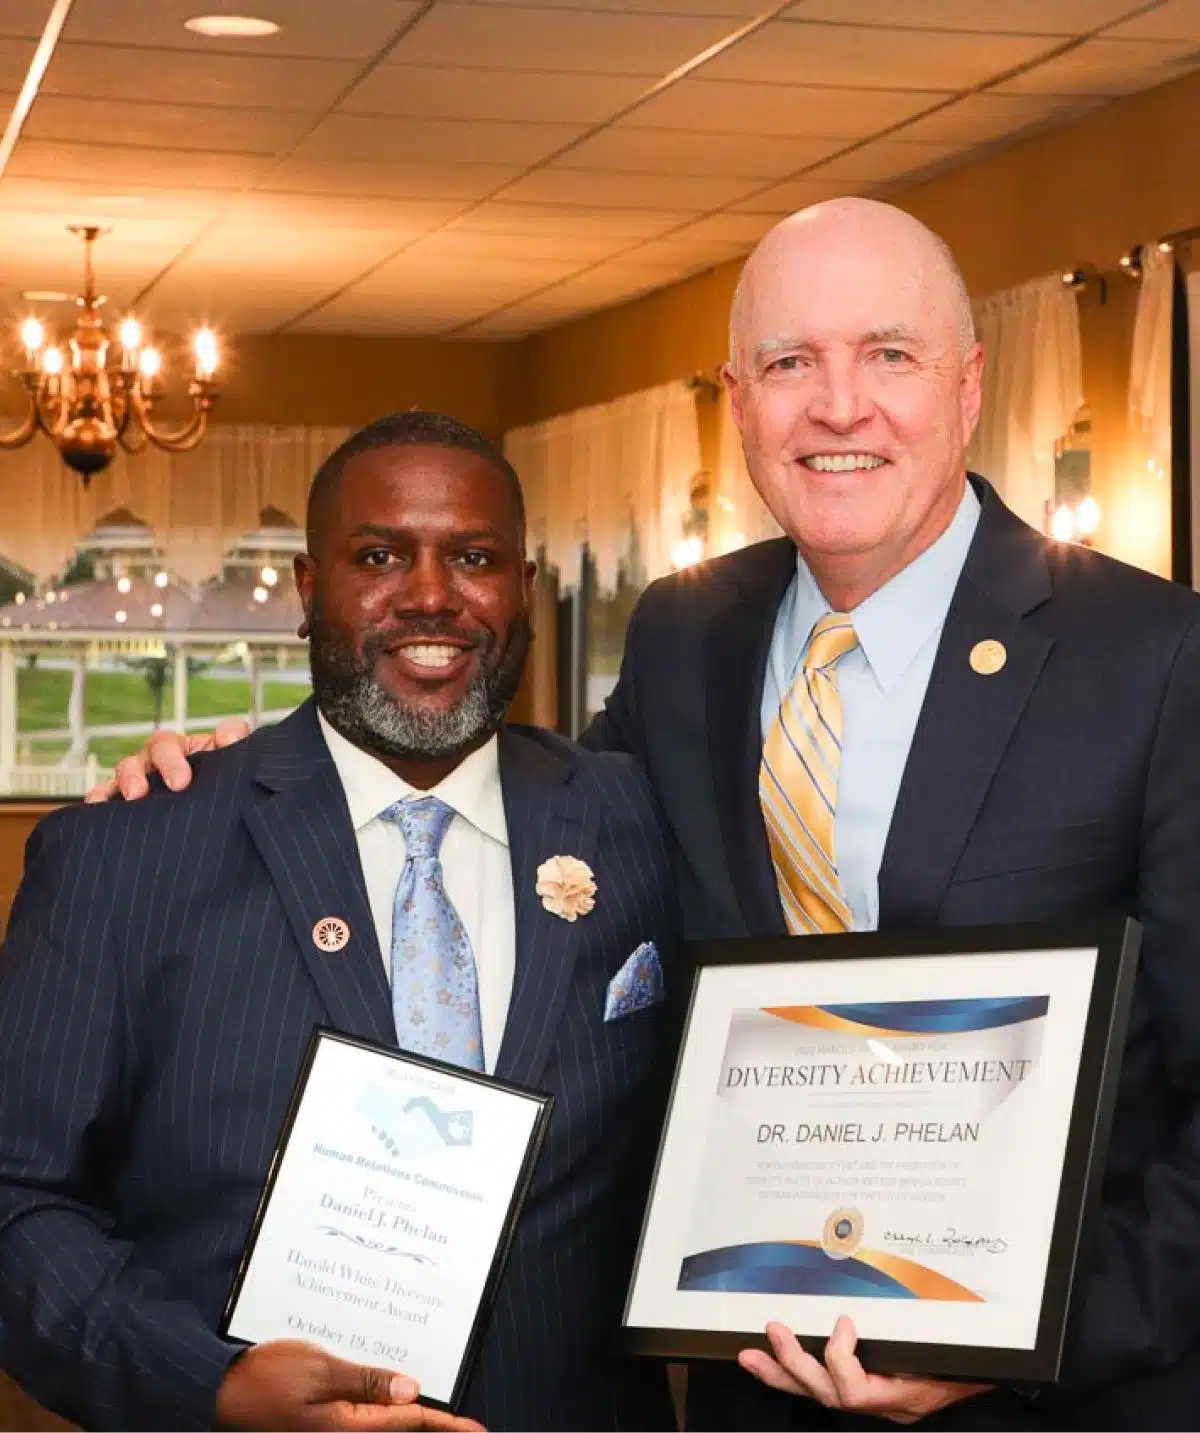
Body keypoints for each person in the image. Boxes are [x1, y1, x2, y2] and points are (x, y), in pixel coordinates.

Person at [96, 197, 1200, 1430]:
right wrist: (249, 764)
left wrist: (1016, 1340)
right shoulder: (687, 634)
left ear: (969, 385)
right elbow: (529, 812)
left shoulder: (1154, 660)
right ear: (741, 403)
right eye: (791, 363)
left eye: (888, 353)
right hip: (748, 1392)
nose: (839, 405)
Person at [0, 412, 680, 1432]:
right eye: (378, 555)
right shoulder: (124, 855)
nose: (430, 594)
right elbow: (16, 1200)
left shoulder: (641, 819)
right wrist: (210, 1383)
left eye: (475, 557)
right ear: (310, 592)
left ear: (524, 592)